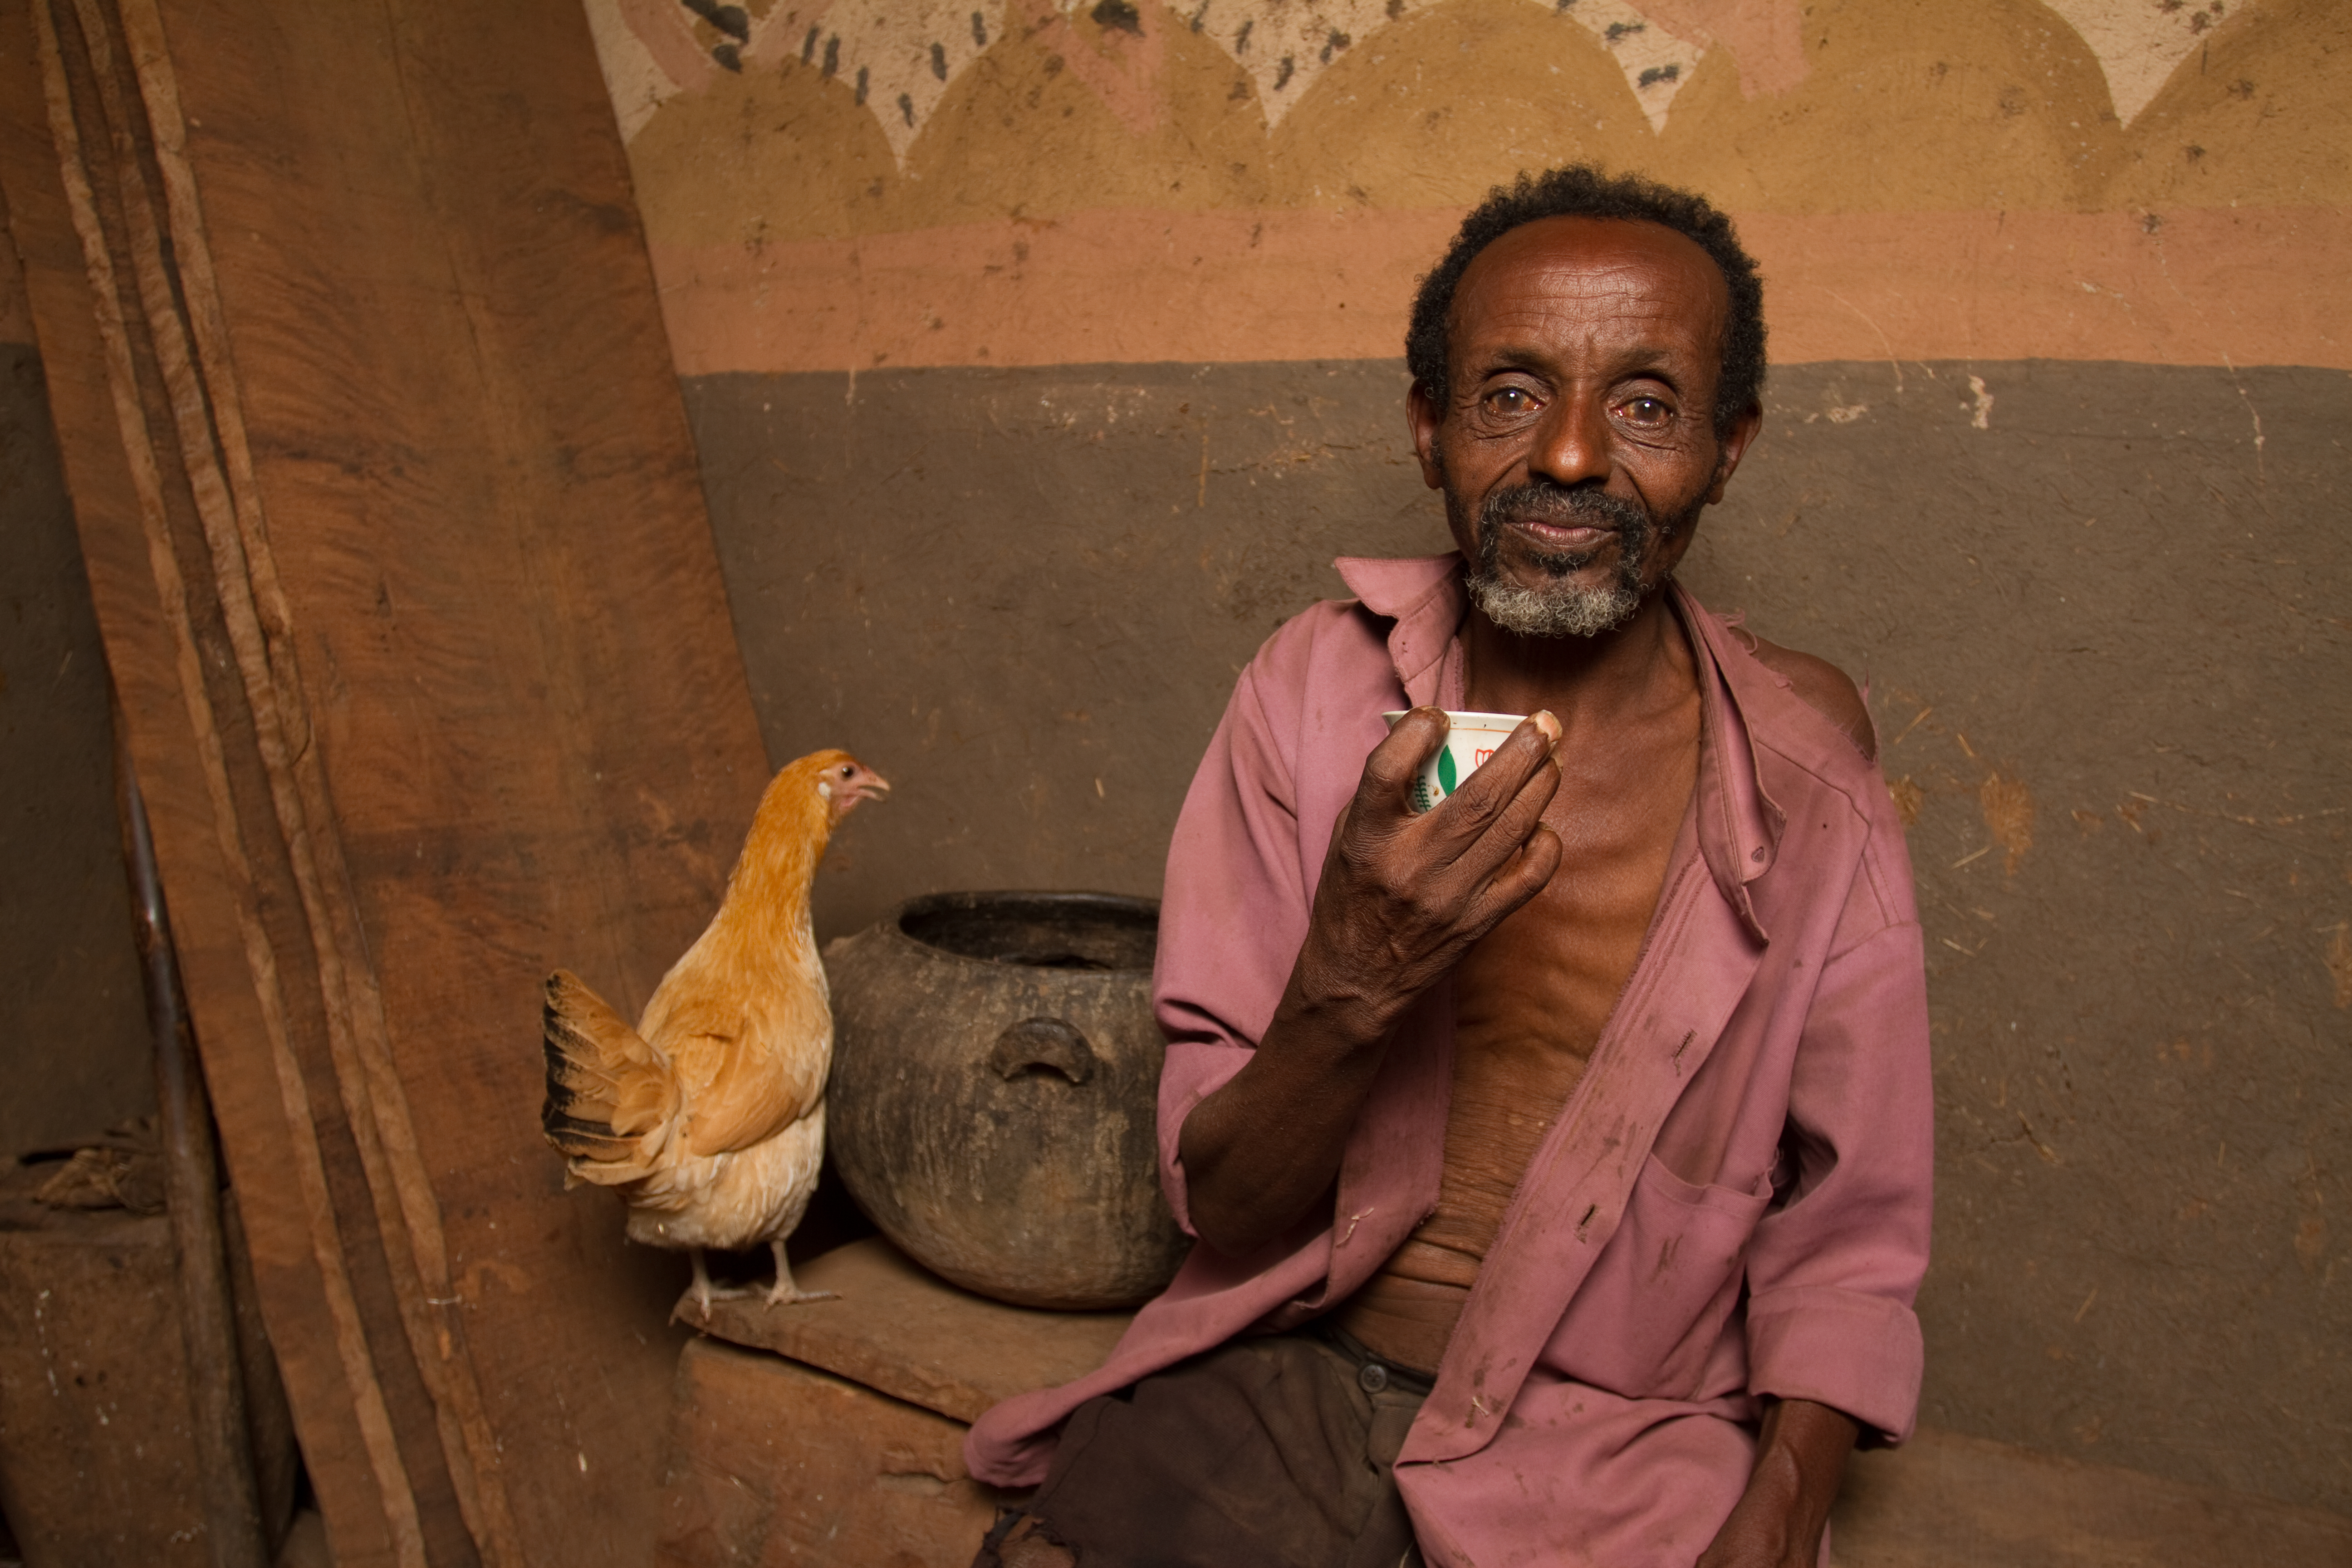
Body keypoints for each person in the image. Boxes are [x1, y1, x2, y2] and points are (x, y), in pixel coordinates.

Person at [964, 164, 1933, 1568]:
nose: (1571, 458)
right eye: (1512, 395)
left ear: (1730, 449)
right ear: (1429, 431)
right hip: (1286, 1376)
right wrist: (1354, 979)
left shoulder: (1798, 773)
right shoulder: (1309, 694)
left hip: (1622, 1447)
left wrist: (1780, 1513)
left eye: (1647, 407)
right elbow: (1223, 1206)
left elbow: (1852, 1225)